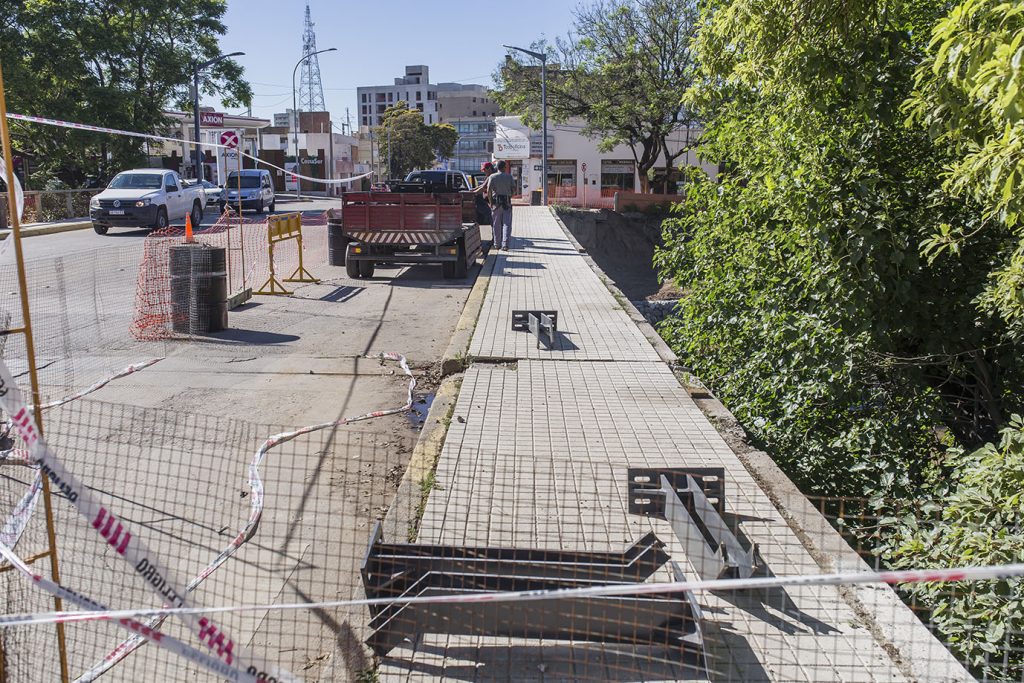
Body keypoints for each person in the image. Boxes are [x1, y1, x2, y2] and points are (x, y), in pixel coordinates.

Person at [485, 160, 515, 251]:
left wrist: (490, 202)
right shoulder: (509, 176)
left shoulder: (492, 177)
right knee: (507, 224)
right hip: (506, 202)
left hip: (495, 203)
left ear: (497, 168)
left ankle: (497, 244)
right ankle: (505, 244)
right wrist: (510, 195)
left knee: (496, 224)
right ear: (504, 167)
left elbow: (488, 190)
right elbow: (513, 189)